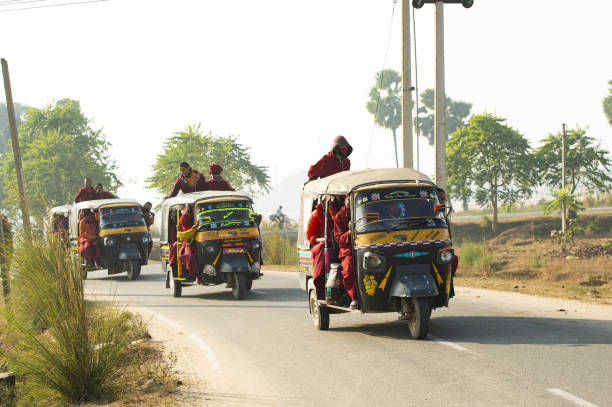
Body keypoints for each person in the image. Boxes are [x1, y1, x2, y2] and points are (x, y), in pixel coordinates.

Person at [306, 196, 339, 298]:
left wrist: (332, 212)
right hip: (319, 245)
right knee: (322, 248)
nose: (327, 202)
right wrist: (321, 240)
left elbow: (338, 224)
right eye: (325, 200)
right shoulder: (316, 215)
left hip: (334, 241)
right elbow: (310, 237)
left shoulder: (334, 211)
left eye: (330, 200)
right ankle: (320, 281)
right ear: (322, 201)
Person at [334, 196, 358, 310]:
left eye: (353, 198)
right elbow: (338, 239)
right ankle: (354, 298)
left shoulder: (362, 210)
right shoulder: (339, 216)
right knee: (348, 271)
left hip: (365, 246)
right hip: (347, 251)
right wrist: (349, 233)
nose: (350, 201)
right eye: (349, 199)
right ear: (345, 200)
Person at [169, 204, 199, 282]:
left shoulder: (196, 214)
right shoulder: (184, 216)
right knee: (188, 254)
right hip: (187, 240)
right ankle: (193, 274)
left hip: (198, 238)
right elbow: (183, 224)